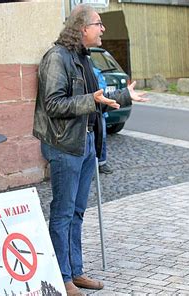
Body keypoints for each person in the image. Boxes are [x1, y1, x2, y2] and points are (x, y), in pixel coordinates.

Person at [32, 4, 148, 296]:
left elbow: (96, 98)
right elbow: (54, 105)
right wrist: (90, 100)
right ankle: (62, 276)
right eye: (98, 24)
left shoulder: (82, 57)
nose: (103, 29)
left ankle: (76, 270)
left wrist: (124, 95)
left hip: (85, 144)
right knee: (63, 211)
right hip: (65, 145)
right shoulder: (56, 58)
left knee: (78, 211)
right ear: (82, 28)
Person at [92, 66, 113, 174]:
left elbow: (102, 88)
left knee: (102, 137)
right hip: (86, 111)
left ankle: (102, 163)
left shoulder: (96, 72)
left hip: (99, 112)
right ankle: (90, 166)